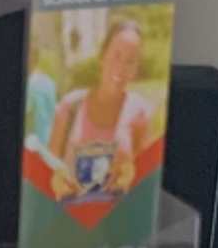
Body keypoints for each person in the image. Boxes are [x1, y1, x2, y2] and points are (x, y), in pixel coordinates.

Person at [44, 13, 160, 198]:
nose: (121, 67)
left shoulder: (140, 114)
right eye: (116, 56)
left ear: (137, 68)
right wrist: (59, 182)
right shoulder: (70, 106)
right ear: (102, 56)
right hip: (67, 220)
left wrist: (128, 172)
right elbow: (45, 175)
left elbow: (145, 187)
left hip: (117, 220)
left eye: (131, 61)